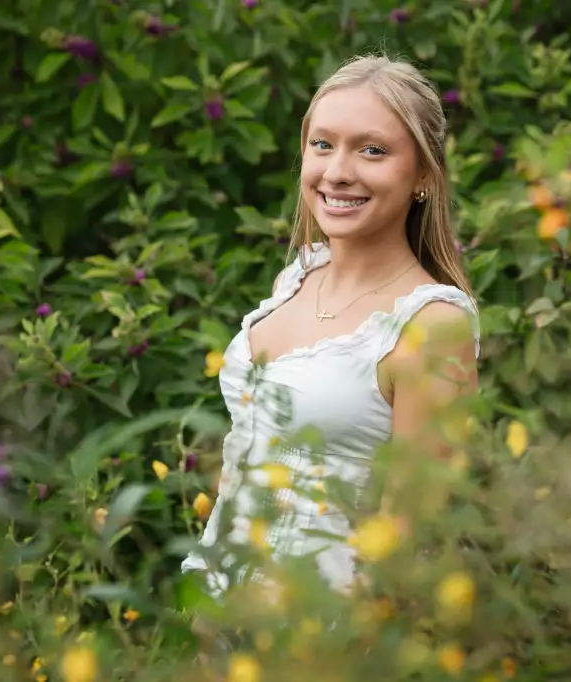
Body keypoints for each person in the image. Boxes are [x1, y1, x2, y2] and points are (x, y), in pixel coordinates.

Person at [182, 53, 480, 643]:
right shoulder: (296, 281)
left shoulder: (432, 322)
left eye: (371, 151)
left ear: (423, 174)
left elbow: (412, 526)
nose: (337, 172)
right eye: (322, 145)